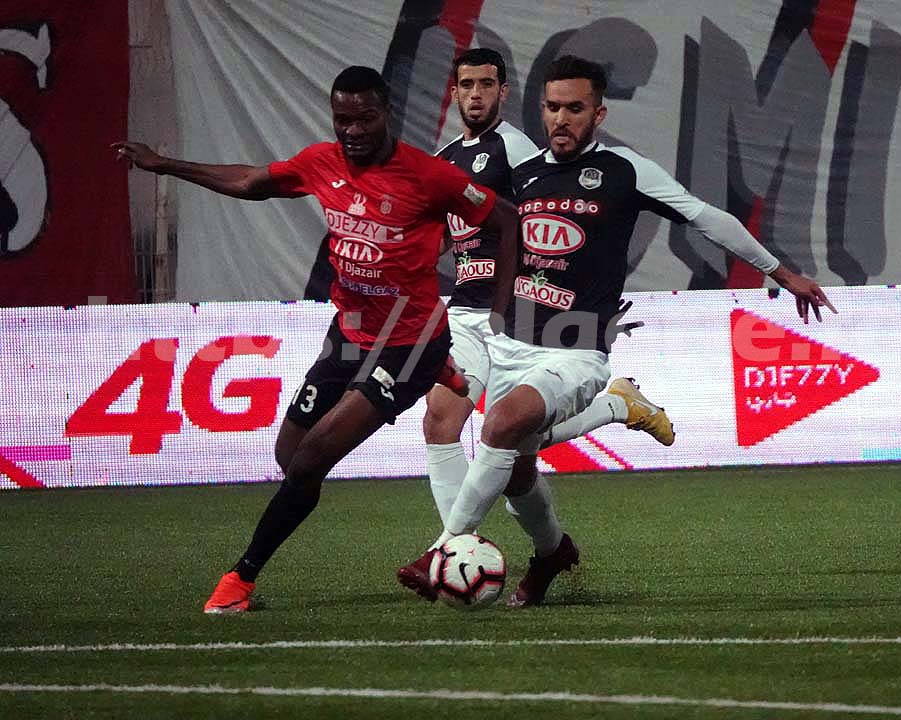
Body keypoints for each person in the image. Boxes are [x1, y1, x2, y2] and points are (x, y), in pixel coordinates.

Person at [403, 54, 836, 608]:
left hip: (577, 350)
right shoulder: (525, 174)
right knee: (516, 474)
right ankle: (553, 550)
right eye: (553, 107)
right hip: (513, 342)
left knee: (502, 425)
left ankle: (442, 550)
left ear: (598, 113)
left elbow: (707, 217)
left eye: (575, 109)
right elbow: (487, 241)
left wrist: (781, 272)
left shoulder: (624, 170)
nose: (562, 119)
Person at [112, 65, 519, 614]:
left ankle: (239, 581)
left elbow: (507, 221)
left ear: (387, 113)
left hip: (408, 344)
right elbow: (251, 182)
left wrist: (501, 310)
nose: (352, 130)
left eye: (364, 118)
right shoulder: (320, 162)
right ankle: (444, 368)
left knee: (309, 462)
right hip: (348, 333)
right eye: (342, 119)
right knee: (289, 457)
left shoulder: (429, 175)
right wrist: (165, 165)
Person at [396, 50, 675, 601]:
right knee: (442, 421)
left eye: (487, 84)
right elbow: (439, 236)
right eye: (466, 85)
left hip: (519, 320)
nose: (476, 94)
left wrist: (581, 309)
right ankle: (491, 552)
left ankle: (450, 552)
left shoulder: (522, 151)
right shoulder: (444, 159)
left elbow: (561, 227)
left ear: (503, 92)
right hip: (465, 312)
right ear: (454, 93)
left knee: (512, 446)